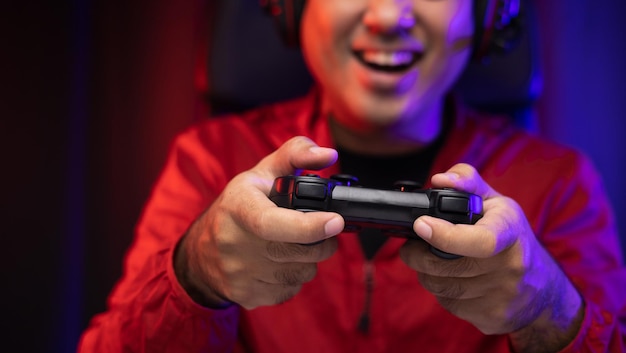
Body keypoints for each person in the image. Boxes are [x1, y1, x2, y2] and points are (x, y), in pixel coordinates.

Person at [79, 0, 626, 352]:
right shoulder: (210, 160)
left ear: (488, 16)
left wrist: (548, 312)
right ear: (292, 8)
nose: (388, 17)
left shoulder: (558, 185)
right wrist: (196, 275)